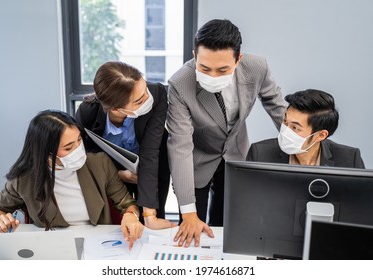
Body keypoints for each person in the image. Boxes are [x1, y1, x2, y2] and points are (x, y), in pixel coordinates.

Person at [166, 19, 287, 247]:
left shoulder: (257, 66)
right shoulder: (180, 84)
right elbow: (180, 145)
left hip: (234, 152)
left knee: (228, 228)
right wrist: (188, 212)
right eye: (204, 68)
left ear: (238, 59)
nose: (212, 75)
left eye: (222, 69)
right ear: (195, 55)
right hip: (196, 159)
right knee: (193, 231)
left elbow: (275, 103)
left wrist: (296, 140)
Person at [0, 110, 143, 249]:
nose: (79, 150)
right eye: (68, 148)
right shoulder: (24, 179)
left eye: (79, 140)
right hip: (52, 247)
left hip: (99, 245)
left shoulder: (99, 163)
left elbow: (127, 203)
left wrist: (131, 215)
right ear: (46, 153)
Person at [75, 61, 176, 230]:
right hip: (114, 174)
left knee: (153, 222)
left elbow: (151, 151)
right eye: (138, 100)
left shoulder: (156, 94)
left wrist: (150, 216)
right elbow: (85, 157)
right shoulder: (88, 113)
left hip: (153, 167)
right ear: (116, 109)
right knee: (122, 222)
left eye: (145, 90)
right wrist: (118, 175)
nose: (147, 99)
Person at [246, 89, 365, 168]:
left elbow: (361, 204)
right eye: (285, 121)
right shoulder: (259, 155)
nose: (286, 131)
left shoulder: (349, 160)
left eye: (295, 127)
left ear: (320, 135)